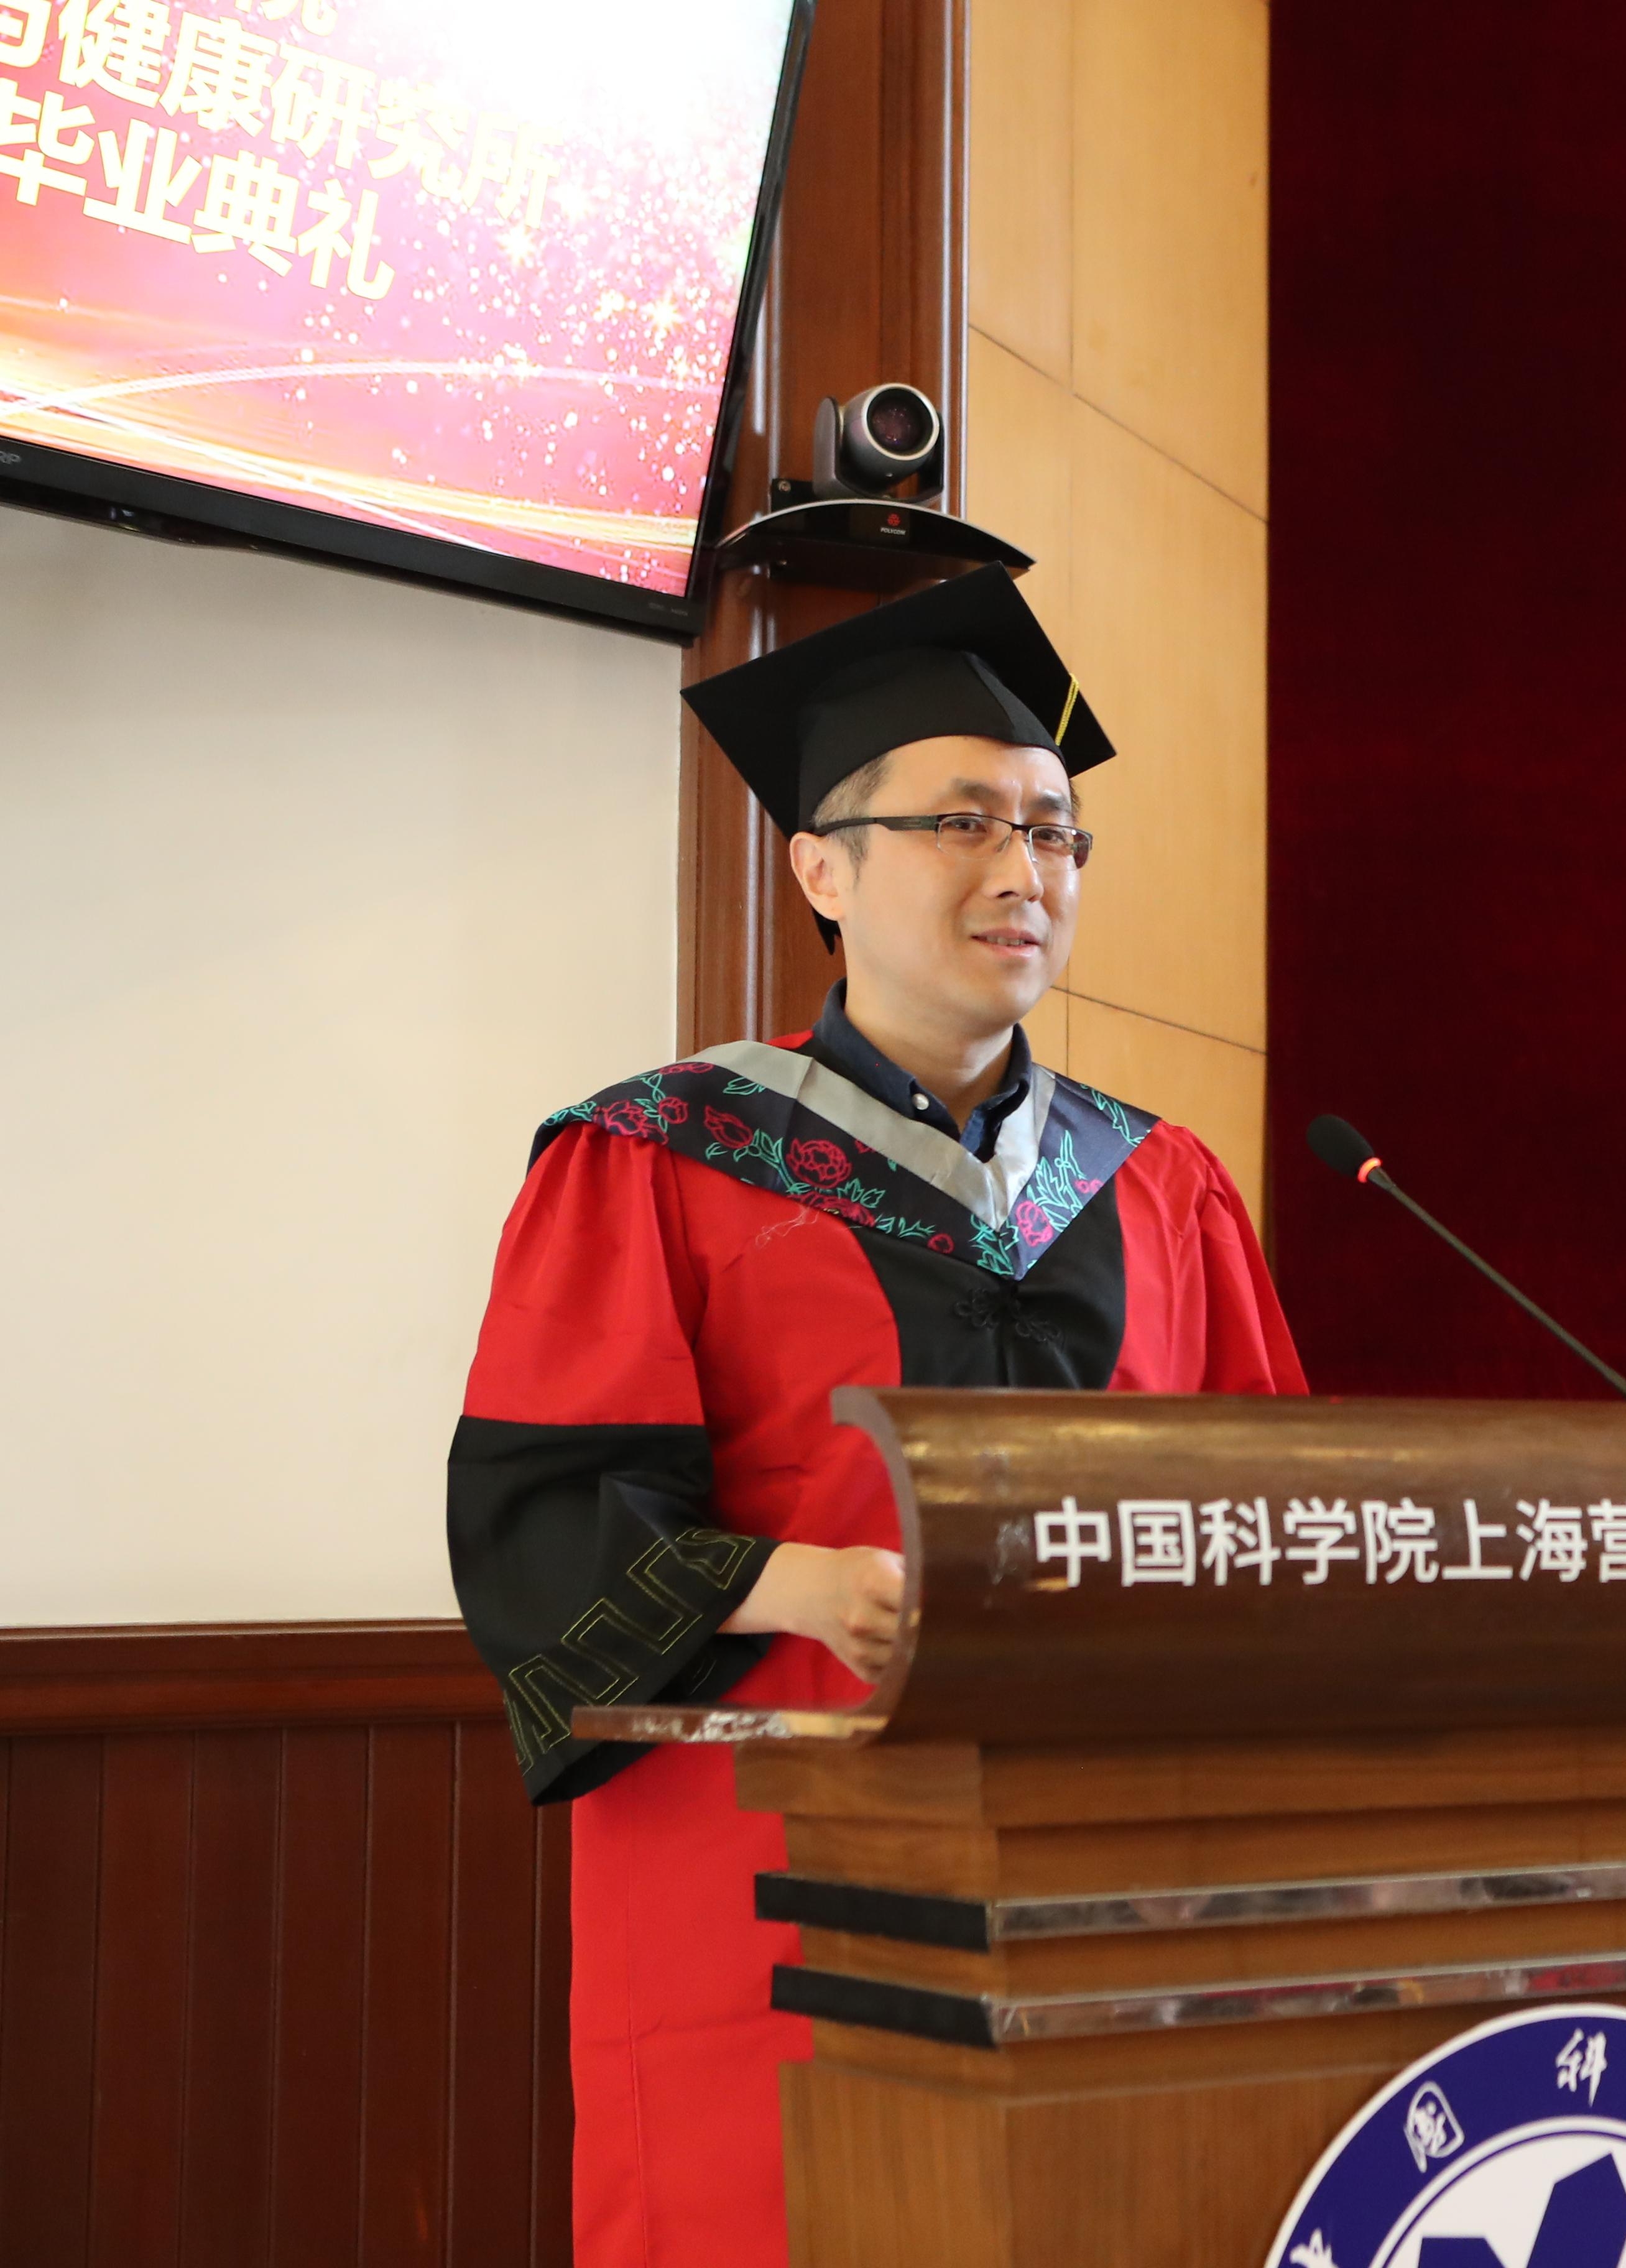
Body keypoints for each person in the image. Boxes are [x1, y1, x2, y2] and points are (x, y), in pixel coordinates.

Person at [446, 566, 1302, 2268]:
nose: (1024, 871)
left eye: (1055, 831)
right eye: (963, 822)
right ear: (820, 869)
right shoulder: (656, 1157)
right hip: (770, 1860)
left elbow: (1272, 1505)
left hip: (1100, 1854)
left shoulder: (1162, 1185)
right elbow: (543, 1514)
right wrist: (805, 1585)